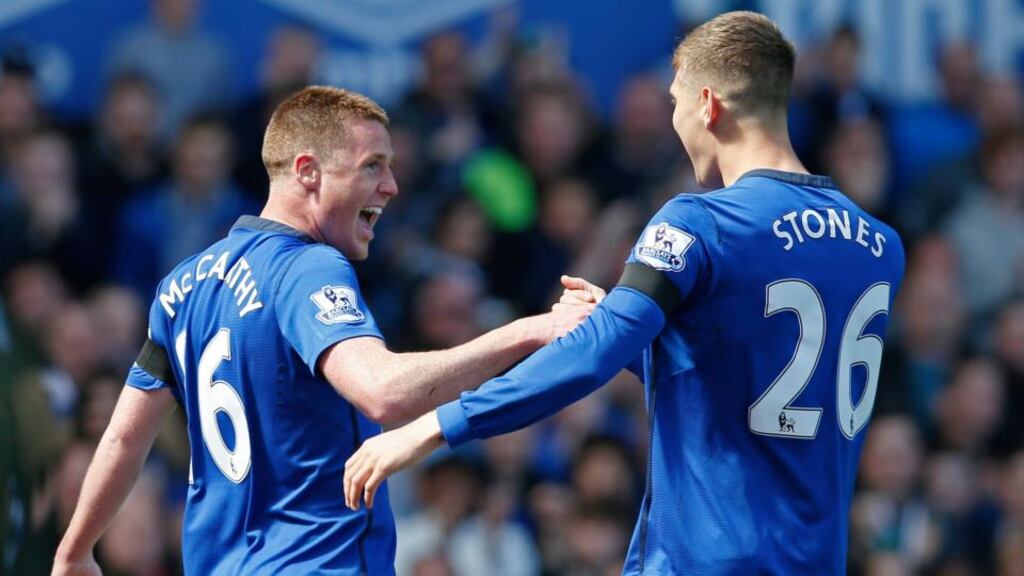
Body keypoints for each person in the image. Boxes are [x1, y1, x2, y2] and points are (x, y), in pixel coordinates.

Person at [344, 11, 906, 575]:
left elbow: (592, 358)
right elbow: (745, 376)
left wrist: (433, 426)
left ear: (708, 105)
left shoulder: (700, 221)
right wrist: (624, 326)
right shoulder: (880, 247)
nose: (676, 125)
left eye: (675, 105)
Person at [52, 86, 589, 575]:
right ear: (308, 171)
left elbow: (125, 437)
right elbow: (383, 391)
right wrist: (531, 330)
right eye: (373, 166)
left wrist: (75, 551)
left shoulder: (182, 286)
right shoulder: (307, 267)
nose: (393, 186)